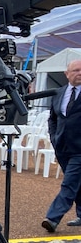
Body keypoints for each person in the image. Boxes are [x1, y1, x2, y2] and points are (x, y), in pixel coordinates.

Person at [42, 58, 81, 232]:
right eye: (76, 70)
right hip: (62, 147)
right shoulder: (59, 93)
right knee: (77, 182)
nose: (79, 73)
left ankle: (52, 218)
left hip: (80, 149)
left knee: (69, 183)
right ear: (67, 73)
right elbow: (53, 119)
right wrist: (53, 137)